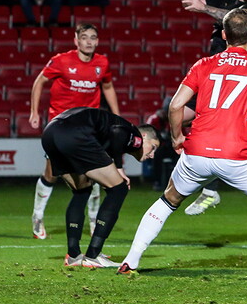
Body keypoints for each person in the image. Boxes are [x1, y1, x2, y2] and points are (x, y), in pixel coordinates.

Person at [117, 8, 247, 275]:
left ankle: (131, 260)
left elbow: (175, 105)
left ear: (224, 35)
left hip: (197, 151)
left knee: (168, 200)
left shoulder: (203, 64)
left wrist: (177, 137)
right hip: (236, 154)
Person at [177, 0, 247, 215]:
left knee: (213, 130)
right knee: (176, 116)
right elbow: (190, 2)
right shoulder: (227, 1)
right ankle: (206, 182)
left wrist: (204, 8)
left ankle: (210, 187)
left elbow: (233, 18)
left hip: (234, 80)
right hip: (213, 78)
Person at [30, 23, 120, 240]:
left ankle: (93, 222)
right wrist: (34, 112)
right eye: (84, 37)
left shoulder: (102, 63)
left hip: (89, 127)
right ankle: (37, 216)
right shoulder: (61, 61)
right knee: (51, 174)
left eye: (93, 37)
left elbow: (107, 86)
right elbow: (39, 81)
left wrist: (116, 117)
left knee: (96, 174)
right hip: (60, 127)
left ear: (97, 41)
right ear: (76, 41)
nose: (89, 41)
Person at [42, 107, 160, 268]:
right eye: (153, 148)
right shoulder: (136, 136)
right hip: (74, 133)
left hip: (50, 133)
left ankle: (73, 255)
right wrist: (119, 167)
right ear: (145, 136)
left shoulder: (108, 136)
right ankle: (93, 254)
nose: (152, 155)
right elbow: (117, 132)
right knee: (119, 189)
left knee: (81, 190)